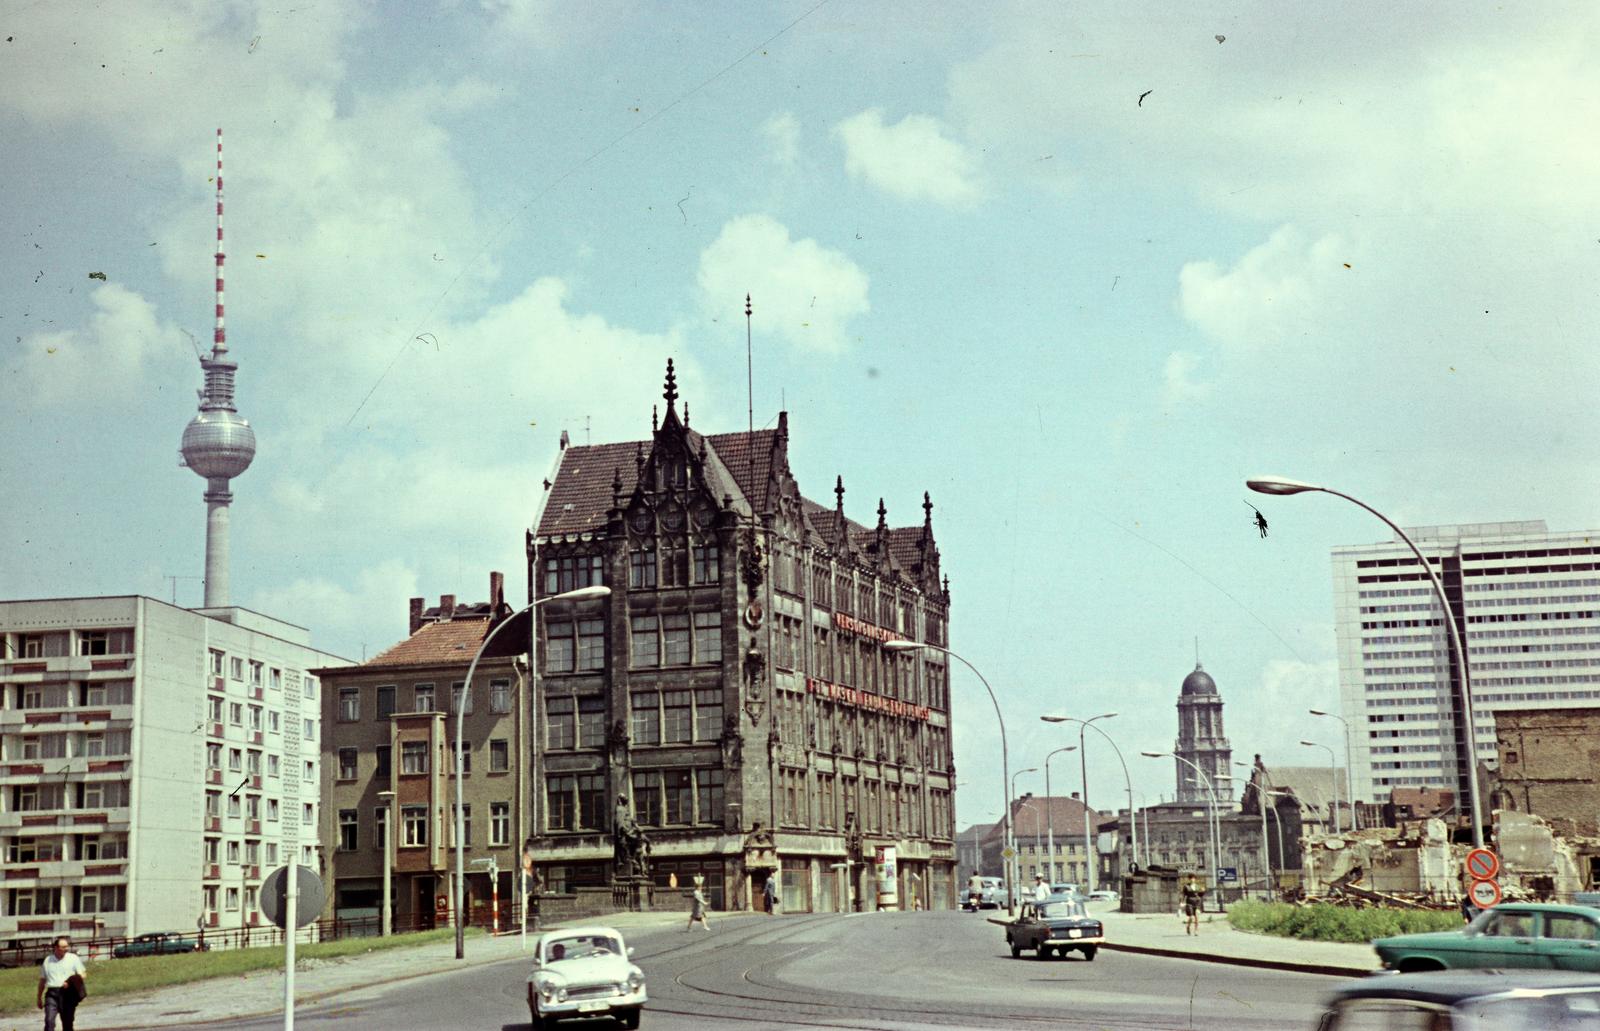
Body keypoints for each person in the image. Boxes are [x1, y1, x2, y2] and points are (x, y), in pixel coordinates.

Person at [37, 936, 86, 1031]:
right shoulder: (47, 960)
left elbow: (83, 974)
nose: (66, 949)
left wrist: (70, 981)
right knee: (49, 1021)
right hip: (52, 994)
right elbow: (42, 980)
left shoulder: (73, 958)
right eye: (63, 947)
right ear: (56, 947)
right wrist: (39, 997)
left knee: (67, 1023)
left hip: (68, 994)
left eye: (67, 946)